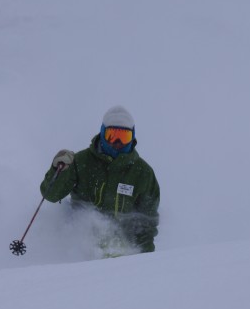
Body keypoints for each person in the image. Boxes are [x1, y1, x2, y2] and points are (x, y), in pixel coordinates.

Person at [40, 105, 160, 253]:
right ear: (102, 133)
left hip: (123, 252)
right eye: (112, 135)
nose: (117, 142)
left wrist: (145, 259)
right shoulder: (81, 162)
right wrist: (58, 170)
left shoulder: (142, 173)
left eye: (124, 137)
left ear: (133, 137)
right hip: (78, 246)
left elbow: (146, 223)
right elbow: (51, 195)